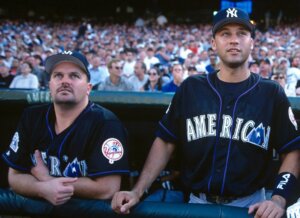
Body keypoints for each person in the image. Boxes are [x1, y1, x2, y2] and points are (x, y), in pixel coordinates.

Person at [111, 7, 300, 218]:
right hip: (196, 203)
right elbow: (165, 142)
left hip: (252, 207)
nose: (234, 40)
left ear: (252, 42)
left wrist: (278, 198)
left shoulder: (271, 92)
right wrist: (138, 190)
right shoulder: (191, 88)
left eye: (242, 33)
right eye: (225, 33)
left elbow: (291, 150)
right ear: (213, 43)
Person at [1, 51, 129, 215]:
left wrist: (48, 180)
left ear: (88, 88)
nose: (65, 81)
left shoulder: (106, 123)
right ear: (49, 86)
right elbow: (14, 176)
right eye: (58, 76)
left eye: (74, 76)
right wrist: (42, 189)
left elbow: (107, 188)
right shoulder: (31, 117)